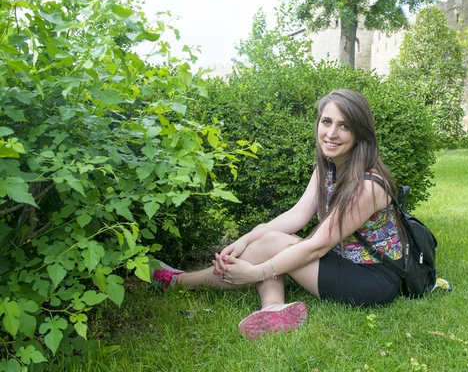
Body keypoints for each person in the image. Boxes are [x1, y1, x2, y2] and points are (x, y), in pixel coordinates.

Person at [150, 89, 449, 340]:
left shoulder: (368, 185)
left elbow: (318, 244)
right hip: (347, 260)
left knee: (272, 246)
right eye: (327, 121)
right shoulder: (330, 165)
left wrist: (257, 271)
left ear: (360, 133)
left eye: (344, 126)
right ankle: (273, 310)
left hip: (374, 281)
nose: (331, 133)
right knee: (270, 239)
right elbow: (298, 215)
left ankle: (178, 281)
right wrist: (244, 240)